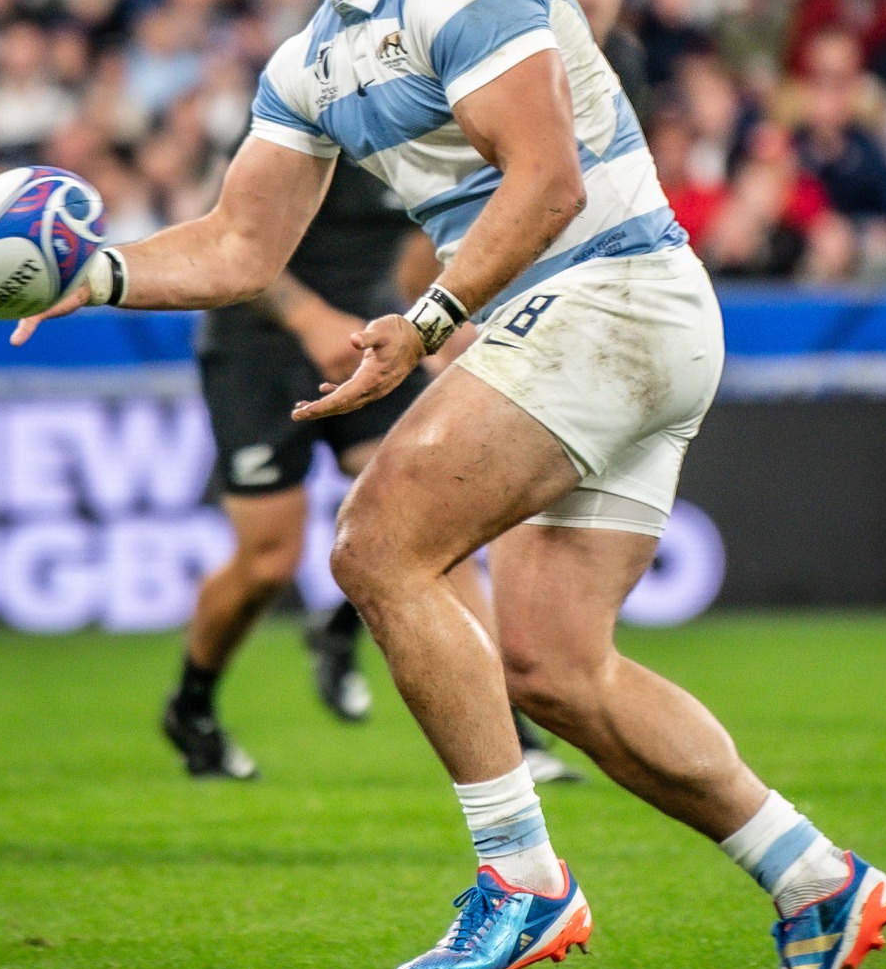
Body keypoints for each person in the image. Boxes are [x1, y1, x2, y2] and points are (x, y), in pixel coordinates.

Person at [16, 0, 886, 969]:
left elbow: (540, 182)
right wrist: (95, 272)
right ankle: (814, 878)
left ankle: (521, 881)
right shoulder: (314, 56)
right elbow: (237, 245)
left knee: (377, 541)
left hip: (609, 295)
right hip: (617, 318)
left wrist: (424, 320)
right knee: (548, 664)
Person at [171, 153, 580, 785]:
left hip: (372, 337)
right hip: (258, 345)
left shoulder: (442, 125)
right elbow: (233, 242)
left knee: (440, 523)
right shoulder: (315, 114)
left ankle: (506, 730)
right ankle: (192, 705)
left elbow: (424, 244)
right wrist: (309, 320)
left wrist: (437, 323)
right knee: (268, 563)